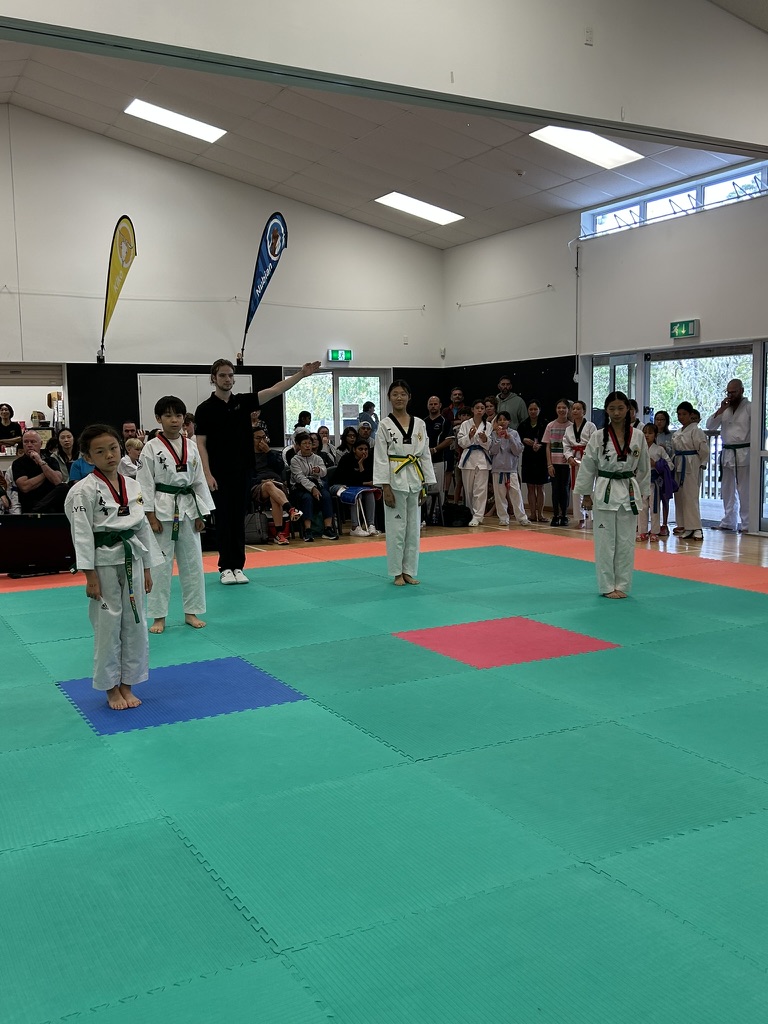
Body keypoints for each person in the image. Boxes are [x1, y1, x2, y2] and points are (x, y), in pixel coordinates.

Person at [195, 357, 320, 584]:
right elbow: (201, 444)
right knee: (224, 519)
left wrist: (301, 374)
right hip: (219, 473)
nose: (227, 379)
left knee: (238, 518)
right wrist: (207, 473)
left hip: (243, 471)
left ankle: (238, 566)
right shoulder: (205, 409)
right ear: (214, 378)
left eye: (230, 375)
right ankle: (225, 567)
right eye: (222, 375)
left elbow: (275, 390)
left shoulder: (243, 402)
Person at [64, 424, 163, 711]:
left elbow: (141, 526)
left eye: (113, 448)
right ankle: (110, 687)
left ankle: (128, 683)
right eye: (100, 451)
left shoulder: (133, 485)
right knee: (108, 625)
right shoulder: (82, 491)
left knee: (135, 622)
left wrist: (148, 568)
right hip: (103, 563)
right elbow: (81, 535)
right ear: (87, 457)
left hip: (132, 559)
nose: (109, 455)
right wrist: (89, 575)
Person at [137, 396, 215, 633]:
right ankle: (158, 616)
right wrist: (150, 516)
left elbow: (198, 480)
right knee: (160, 566)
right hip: (162, 510)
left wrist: (202, 514)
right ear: (158, 419)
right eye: (168, 416)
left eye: (178, 416)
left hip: (189, 508)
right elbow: (144, 483)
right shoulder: (150, 448)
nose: (174, 420)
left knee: (193, 564)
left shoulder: (191, 446)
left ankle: (191, 612)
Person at [574, 391, 651, 599]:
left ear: (628, 410)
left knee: (626, 542)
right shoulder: (598, 436)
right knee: (604, 543)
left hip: (628, 491)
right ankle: (607, 585)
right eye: (612, 409)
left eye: (620, 408)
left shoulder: (638, 436)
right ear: (606, 411)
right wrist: (586, 494)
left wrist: (644, 493)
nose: (616, 413)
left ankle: (623, 584)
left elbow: (644, 467)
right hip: (605, 491)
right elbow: (588, 466)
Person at [373, 379, 435, 586]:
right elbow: (381, 457)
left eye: (403, 394)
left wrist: (426, 484)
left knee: (413, 529)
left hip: (415, 479)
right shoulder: (384, 424)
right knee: (396, 529)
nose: (399, 398)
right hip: (394, 479)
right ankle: (396, 572)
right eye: (395, 394)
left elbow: (425, 455)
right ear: (389, 398)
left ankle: (409, 570)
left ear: (409, 397)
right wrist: (385, 486)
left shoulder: (420, 424)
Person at [706, 378, 751, 531]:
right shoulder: (725, 409)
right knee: (727, 490)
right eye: (728, 392)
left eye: (734, 392)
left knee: (744, 490)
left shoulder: (750, 407)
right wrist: (720, 410)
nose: (731, 395)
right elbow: (710, 426)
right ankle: (728, 521)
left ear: (742, 391)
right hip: (727, 453)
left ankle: (747, 524)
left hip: (744, 452)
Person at [250, 422, 299, 545]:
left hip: (277, 484)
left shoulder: (273, 453)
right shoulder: (247, 457)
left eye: (264, 437)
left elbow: (280, 468)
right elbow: (246, 477)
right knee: (268, 485)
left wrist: (268, 452)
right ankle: (290, 509)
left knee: (274, 495)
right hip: (258, 486)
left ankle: (279, 534)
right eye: (258, 438)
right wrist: (261, 481)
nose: (262, 441)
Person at [290, 432, 338, 541]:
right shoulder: (295, 460)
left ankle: (328, 528)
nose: (307, 446)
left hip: (316, 484)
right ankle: (307, 530)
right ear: (299, 445)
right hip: (299, 487)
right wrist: (312, 489)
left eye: (309, 443)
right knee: (307, 498)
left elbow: (324, 472)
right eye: (304, 443)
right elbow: (300, 478)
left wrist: (319, 470)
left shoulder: (317, 458)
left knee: (326, 496)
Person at [672, 401, 708, 540]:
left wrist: (702, 463)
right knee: (680, 496)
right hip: (679, 462)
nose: (681, 417)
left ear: (690, 415)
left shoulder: (696, 430)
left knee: (691, 496)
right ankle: (685, 526)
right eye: (679, 414)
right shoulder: (677, 432)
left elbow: (703, 450)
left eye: (684, 414)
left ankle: (697, 527)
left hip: (692, 463)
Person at [489, 411, 529, 526]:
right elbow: (493, 451)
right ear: (497, 422)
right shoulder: (493, 434)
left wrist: (510, 438)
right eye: (500, 420)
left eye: (505, 419)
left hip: (511, 469)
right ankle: (503, 517)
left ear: (509, 421)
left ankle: (522, 517)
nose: (502, 422)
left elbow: (517, 451)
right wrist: (498, 437)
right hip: (498, 469)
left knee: (516, 493)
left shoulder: (514, 433)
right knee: (499, 495)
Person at [334, 437, 380, 536]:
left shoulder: (368, 460)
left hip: (358, 487)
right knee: (356, 494)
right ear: (354, 450)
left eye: (366, 449)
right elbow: (348, 480)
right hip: (339, 486)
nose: (364, 452)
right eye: (360, 449)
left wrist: (361, 464)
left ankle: (371, 525)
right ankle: (354, 527)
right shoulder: (346, 459)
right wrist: (367, 483)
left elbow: (366, 478)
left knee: (369, 493)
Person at [457, 399, 492, 527]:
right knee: (469, 490)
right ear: (472, 409)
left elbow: (489, 445)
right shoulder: (465, 424)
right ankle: (470, 513)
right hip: (468, 459)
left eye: (482, 408)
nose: (480, 410)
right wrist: (470, 436)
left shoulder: (488, 425)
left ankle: (478, 516)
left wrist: (484, 439)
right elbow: (461, 442)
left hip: (482, 459)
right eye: (477, 408)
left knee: (481, 490)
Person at [12, 430, 63, 512]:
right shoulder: (18, 463)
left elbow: (57, 481)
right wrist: (46, 473)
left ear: (41, 444)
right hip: (32, 505)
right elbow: (24, 487)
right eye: (26, 442)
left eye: (33, 442)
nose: (29, 445)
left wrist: (40, 461)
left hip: (52, 503)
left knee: (64, 488)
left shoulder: (51, 460)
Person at [563, 400, 596, 527]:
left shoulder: (591, 426)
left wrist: (587, 458)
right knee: (576, 489)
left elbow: (594, 444)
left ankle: (592, 517)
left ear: (584, 411)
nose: (575, 411)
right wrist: (569, 457)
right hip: (574, 460)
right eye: (574, 409)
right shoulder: (568, 429)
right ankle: (580, 518)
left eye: (578, 409)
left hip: (588, 459)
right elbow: (566, 445)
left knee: (591, 488)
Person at [639, 422, 674, 541]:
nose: (647, 435)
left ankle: (654, 532)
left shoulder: (659, 449)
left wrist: (656, 464)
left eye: (650, 433)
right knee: (642, 508)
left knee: (654, 507)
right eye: (645, 433)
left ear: (655, 435)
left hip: (655, 483)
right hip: (642, 481)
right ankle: (642, 531)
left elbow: (670, 465)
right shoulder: (639, 448)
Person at [543, 399, 572, 526]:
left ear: (568, 409)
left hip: (566, 463)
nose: (561, 410)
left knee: (564, 489)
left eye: (564, 407)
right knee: (555, 489)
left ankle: (564, 515)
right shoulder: (550, 425)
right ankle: (555, 515)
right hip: (554, 463)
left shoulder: (571, 426)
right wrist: (549, 464)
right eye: (559, 407)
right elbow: (548, 446)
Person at [424, 395, 453, 520]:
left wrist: (435, 449)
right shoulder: (423, 422)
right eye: (431, 404)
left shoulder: (445, 422)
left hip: (440, 460)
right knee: (425, 488)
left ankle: (437, 515)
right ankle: (425, 516)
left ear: (440, 405)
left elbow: (450, 440)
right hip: (424, 462)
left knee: (437, 489)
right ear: (427, 406)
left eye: (435, 404)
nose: (433, 406)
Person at [519, 400, 548, 522]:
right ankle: (532, 514)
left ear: (539, 410)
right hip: (528, 458)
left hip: (541, 458)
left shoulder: (545, 424)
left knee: (540, 487)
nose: (533, 411)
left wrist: (540, 445)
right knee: (530, 487)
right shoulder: (523, 425)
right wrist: (524, 440)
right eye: (531, 409)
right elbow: (518, 440)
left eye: (535, 409)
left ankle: (540, 514)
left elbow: (548, 441)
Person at [653, 411, 675, 536]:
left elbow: (674, 452)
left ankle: (665, 524)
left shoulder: (671, 436)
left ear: (666, 421)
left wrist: (666, 449)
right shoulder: (652, 434)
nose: (659, 422)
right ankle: (654, 525)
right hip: (653, 470)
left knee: (665, 498)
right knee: (653, 499)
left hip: (665, 470)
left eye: (662, 419)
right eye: (657, 419)